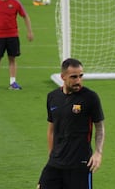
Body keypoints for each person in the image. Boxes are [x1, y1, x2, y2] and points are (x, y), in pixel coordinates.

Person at [37, 58, 105, 189]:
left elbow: (100, 127)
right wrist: (52, 155)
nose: (78, 81)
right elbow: (51, 128)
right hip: (56, 163)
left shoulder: (90, 97)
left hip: (79, 164)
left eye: (81, 76)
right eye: (73, 77)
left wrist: (98, 152)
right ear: (63, 77)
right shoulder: (53, 97)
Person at [0, 0, 34, 90]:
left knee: (12, 59)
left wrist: (29, 31)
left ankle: (13, 82)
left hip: (12, 36)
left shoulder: (15, 3)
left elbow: (25, 16)